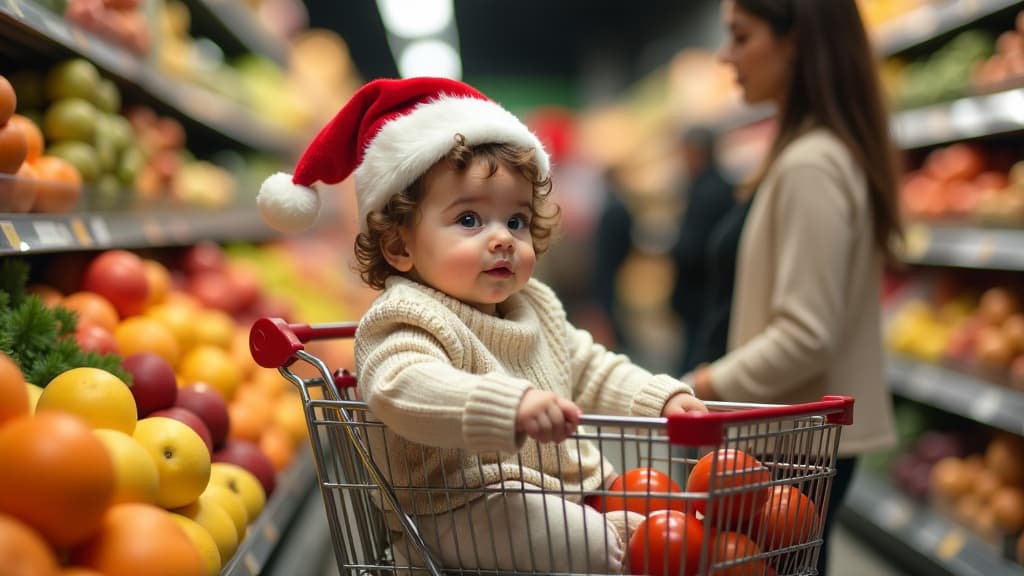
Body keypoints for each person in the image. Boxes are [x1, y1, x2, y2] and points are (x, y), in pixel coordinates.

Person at [255, 76, 708, 574]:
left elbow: (591, 367)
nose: (502, 239)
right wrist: (508, 405)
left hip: (551, 491)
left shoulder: (534, 305)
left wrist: (660, 398)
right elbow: (402, 387)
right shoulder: (404, 315)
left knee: (635, 523)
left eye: (515, 221)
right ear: (400, 247)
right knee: (593, 545)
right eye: (470, 220)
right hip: (456, 504)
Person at [689, 1, 904, 574]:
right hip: (800, 442)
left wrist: (703, 385)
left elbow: (807, 334)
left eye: (741, 36)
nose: (724, 56)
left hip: (792, 447)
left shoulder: (812, 163)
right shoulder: (818, 152)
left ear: (796, 41)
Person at [669, 126, 738, 374]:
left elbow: (692, 248)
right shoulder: (722, 185)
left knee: (695, 360)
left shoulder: (705, 191)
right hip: (711, 294)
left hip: (699, 295)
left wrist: (673, 247)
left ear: (697, 152)